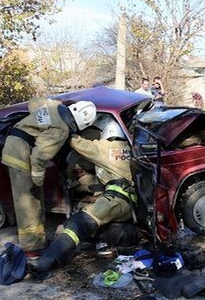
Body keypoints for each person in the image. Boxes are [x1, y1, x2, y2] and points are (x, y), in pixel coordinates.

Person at [30, 117, 135, 273]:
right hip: (130, 202)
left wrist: (66, 130)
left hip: (114, 199)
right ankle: (125, 241)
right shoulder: (129, 148)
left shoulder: (105, 147)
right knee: (99, 223)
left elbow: (79, 144)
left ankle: (46, 261)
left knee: (79, 222)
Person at [1, 98, 96, 257]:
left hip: (13, 146)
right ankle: (32, 248)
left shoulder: (53, 106)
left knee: (34, 200)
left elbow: (34, 103)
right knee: (28, 202)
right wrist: (37, 181)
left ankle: (39, 240)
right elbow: (39, 156)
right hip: (21, 154)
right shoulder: (62, 130)